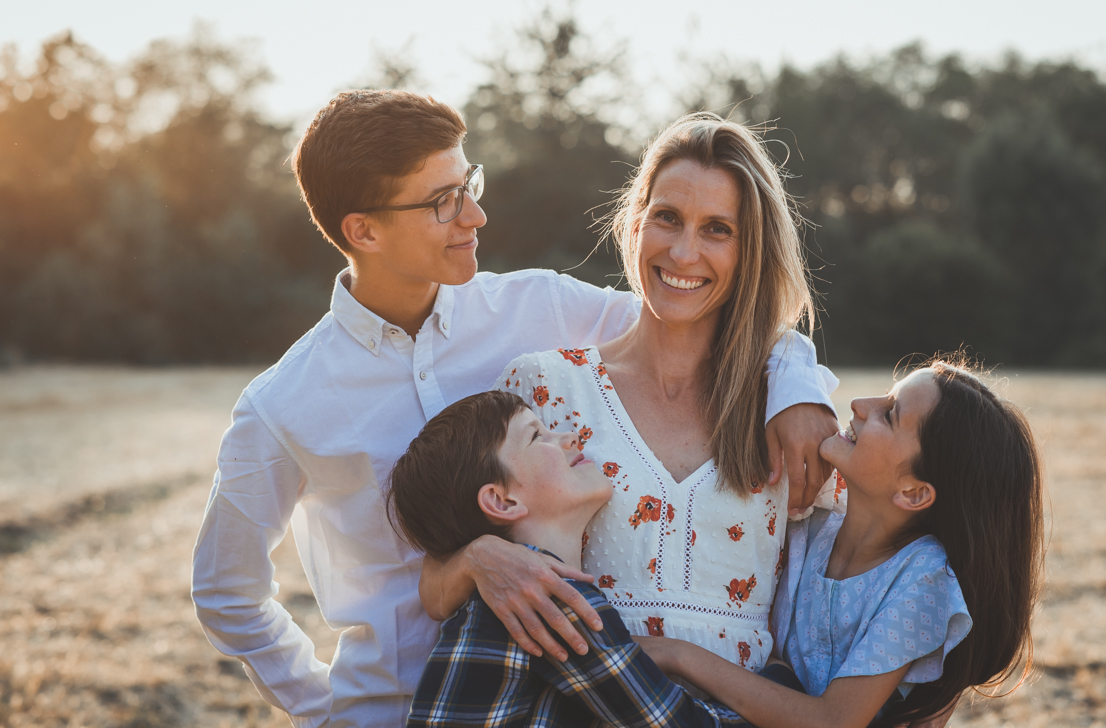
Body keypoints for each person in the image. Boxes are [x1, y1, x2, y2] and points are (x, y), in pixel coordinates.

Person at [190, 91, 838, 727]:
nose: (474, 216)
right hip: (387, 709)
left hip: (533, 699)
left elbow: (701, 321)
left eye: (468, 183)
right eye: (443, 202)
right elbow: (227, 593)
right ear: (363, 230)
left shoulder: (542, 310)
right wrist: (328, 708)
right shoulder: (281, 405)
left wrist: (797, 387)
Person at [423, 114, 842, 673]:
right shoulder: (543, 387)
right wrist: (478, 557)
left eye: (718, 229)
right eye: (667, 218)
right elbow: (435, 588)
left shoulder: (788, 404)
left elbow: (863, 577)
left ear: (751, 253)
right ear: (634, 225)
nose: (684, 253)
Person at [634, 360, 1046, 728]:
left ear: (914, 493)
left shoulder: (922, 582)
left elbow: (833, 720)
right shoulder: (809, 525)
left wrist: (678, 655)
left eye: (889, 414)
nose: (859, 405)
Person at [392, 390, 751, 727]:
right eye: (536, 436)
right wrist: (781, 675)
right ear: (502, 501)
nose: (569, 437)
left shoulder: (496, 595)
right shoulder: (541, 594)